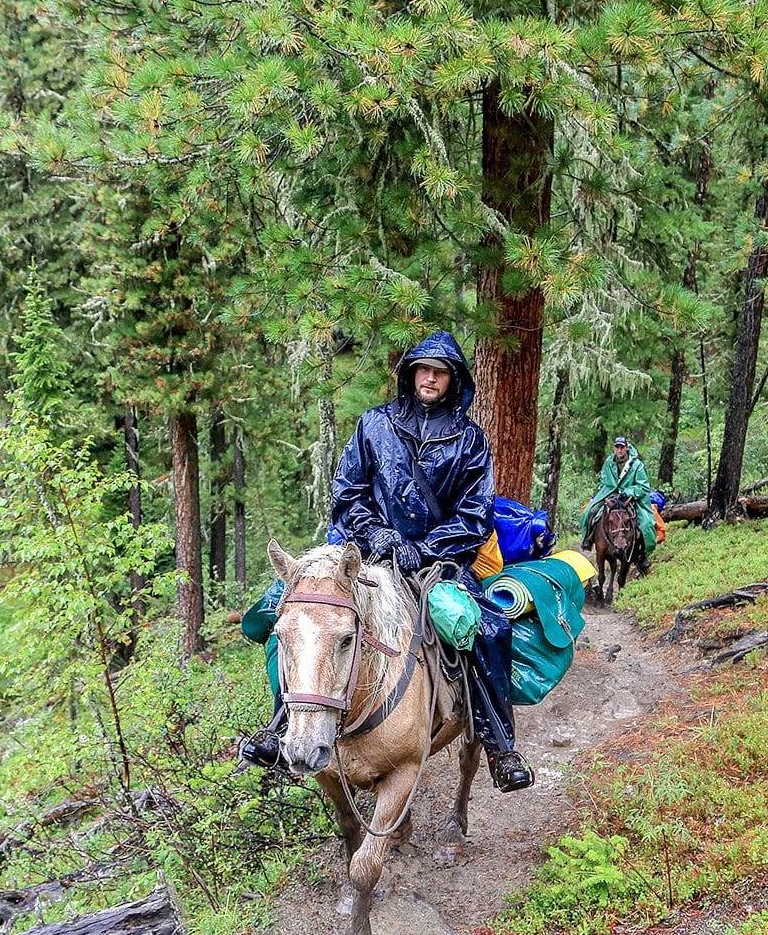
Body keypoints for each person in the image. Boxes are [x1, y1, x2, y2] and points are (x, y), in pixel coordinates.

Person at [240, 331, 533, 792]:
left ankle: (500, 746)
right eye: (423, 370)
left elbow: (476, 515)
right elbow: (348, 491)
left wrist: (426, 547)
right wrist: (376, 532)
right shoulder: (373, 424)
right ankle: (281, 728)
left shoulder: (470, 441)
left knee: (491, 629)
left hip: (438, 563)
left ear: (453, 380)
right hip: (366, 553)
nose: (430, 378)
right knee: (299, 615)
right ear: (410, 374)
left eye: (439, 372)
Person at [580, 436, 657, 573]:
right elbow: (604, 481)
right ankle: (588, 538)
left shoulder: (637, 465)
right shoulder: (609, 462)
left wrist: (628, 492)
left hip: (631, 497)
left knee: (645, 524)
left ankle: (642, 554)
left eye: (622, 447)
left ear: (627, 448)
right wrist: (603, 494)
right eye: (617, 447)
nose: (620, 450)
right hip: (610, 494)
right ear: (614, 448)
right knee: (591, 511)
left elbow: (643, 486)